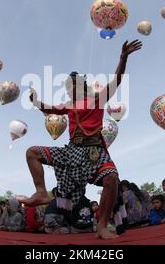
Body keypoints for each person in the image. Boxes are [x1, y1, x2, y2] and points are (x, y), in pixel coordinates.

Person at [20, 40, 142, 239]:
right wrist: (35, 101)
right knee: (32, 152)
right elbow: (49, 108)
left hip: (95, 152)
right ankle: (41, 192)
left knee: (111, 178)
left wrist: (123, 57)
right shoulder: (69, 105)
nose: (69, 90)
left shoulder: (98, 99)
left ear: (82, 86)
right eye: (67, 88)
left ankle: (102, 226)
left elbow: (117, 80)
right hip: (71, 152)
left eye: (72, 86)